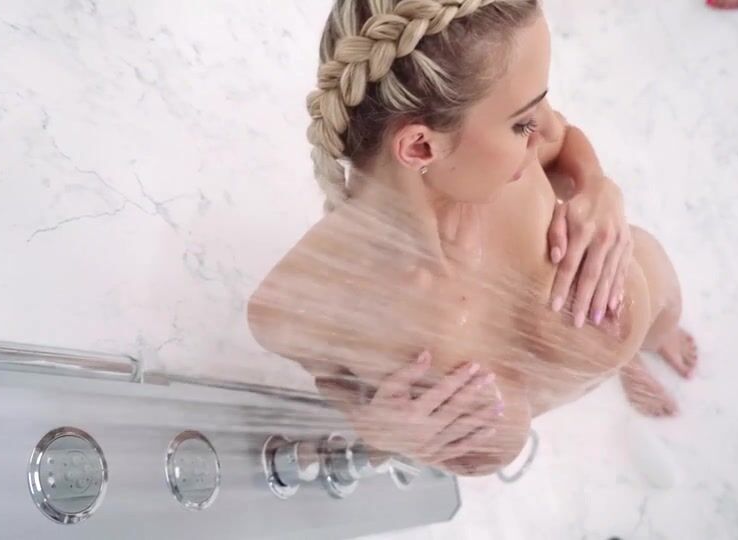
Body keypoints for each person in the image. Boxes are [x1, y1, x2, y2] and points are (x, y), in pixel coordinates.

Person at [248, 0, 697, 476]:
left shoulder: (506, 156)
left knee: (660, 321)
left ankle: (649, 344)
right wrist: (376, 428)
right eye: (523, 123)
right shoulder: (304, 299)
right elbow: (329, 375)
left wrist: (597, 187)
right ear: (421, 146)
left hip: (646, 282)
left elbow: (563, 139)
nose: (545, 126)